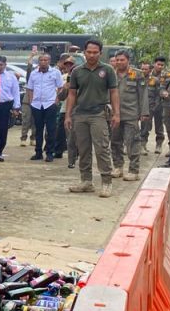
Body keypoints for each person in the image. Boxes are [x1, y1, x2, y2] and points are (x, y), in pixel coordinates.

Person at [64, 39, 119, 197]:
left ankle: (106, 182)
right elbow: (72, 94)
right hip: (80, 114)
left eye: (95, 52)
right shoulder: (77, 71)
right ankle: (86, 181)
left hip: (99, 114)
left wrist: (117, 114)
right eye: (89, 52)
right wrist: (68, 115)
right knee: (83, 149)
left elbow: (114, 92)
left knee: (102, 148)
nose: (92, 55)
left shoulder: (107, 70)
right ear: (84, 52)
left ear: (100, 53)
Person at [109, 51, 148, 181]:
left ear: (128, 60)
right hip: (114, 115)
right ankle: (118, 167)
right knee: (115, 142)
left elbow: (143, 94)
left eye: (122, 60)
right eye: (117, 60)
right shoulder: (111, 74)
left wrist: (144, 112)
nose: (119, 62)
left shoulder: (137, 74)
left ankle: (133, 170)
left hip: (131, 114)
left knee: (132, 143)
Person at [25, 53, 63, 162]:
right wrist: (31, 101)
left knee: (51, 129)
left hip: (50, 104)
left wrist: (56, 101)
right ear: (38, 61)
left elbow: (60, 87)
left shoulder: (55, 73)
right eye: (41, 60)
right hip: (36, 105)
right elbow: (30, 88)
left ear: (49, 61)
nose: (43, 62)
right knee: (38, 129)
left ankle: (50, 153)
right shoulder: (33, 74)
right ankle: (38, 152)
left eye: (45, 60)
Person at [54, 53, 77, 166]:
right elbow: (61, 96)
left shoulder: (82, 78)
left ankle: (75, 157)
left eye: (71, 65)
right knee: (65, 134)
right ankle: (68, 158)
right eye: (67, 64)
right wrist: (66, 87)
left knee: (76, 136)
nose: (69, 67)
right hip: (66, 109)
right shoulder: (64, 77)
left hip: (80, 111)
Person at [143, 57, 167, 154]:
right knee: (145, 125)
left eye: (162, 65)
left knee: (159, 125)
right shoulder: (147, 74)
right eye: (158, 64)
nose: (160, 66)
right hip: (148, 104)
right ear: (154, 64)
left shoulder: (165, 75)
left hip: (160, 104)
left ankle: (159, 145)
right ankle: (143, 144)